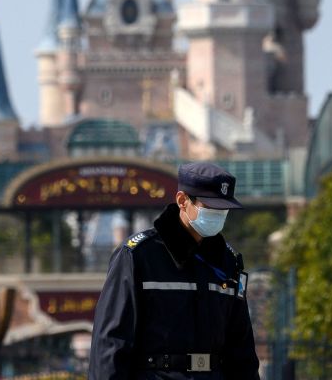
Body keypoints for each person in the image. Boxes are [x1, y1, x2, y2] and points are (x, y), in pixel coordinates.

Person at [89, 162, 260, 379]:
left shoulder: (228, 262)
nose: (218, 214)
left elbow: (241, 348)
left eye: (223, 209)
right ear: (182, 200)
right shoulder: (138, 256)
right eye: (210, 207)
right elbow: (111, 344)